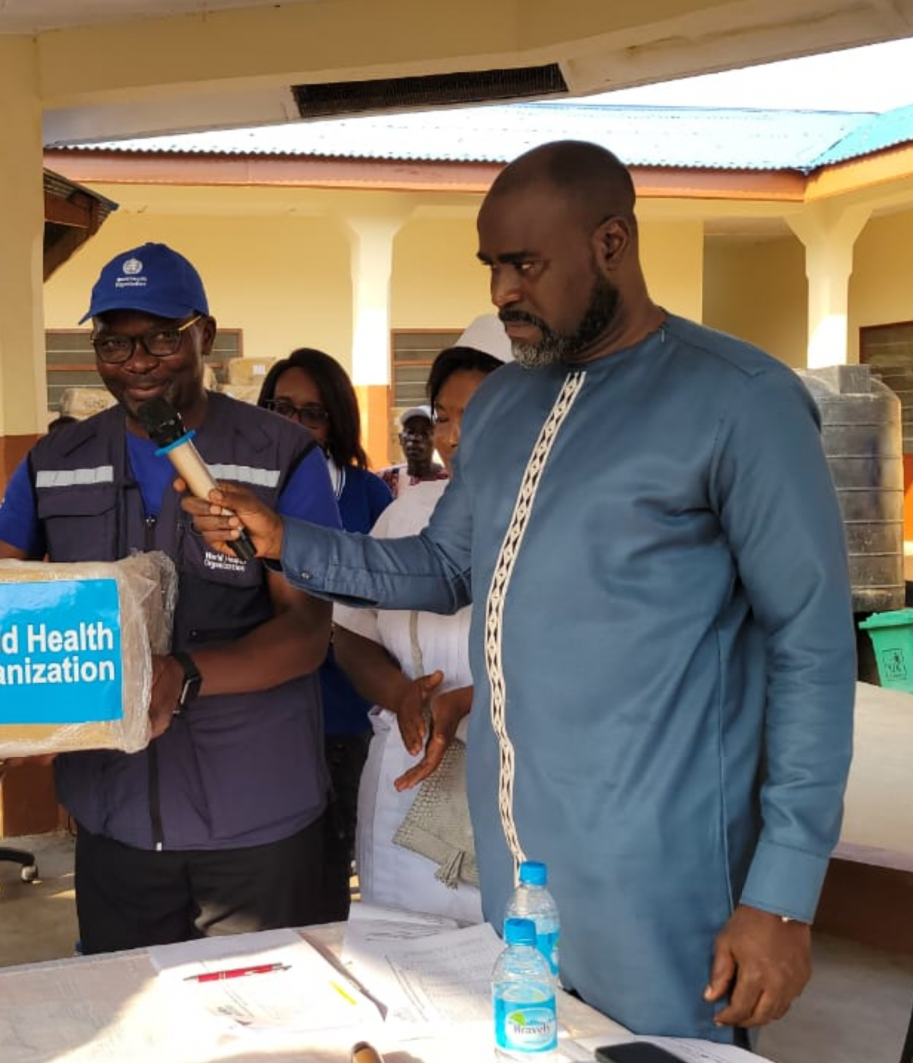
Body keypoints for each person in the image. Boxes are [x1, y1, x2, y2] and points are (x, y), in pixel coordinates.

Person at [182, 142, 854, 1041]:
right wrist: (282, 541)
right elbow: (441, 567)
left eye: (526, 264)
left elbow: (811, 647)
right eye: (493, 265)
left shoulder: (740, 402)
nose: (502, 291)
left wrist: (783, 893)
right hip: (513, 872)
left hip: (661, 880)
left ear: (612, 243)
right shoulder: (505, 408)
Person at [0, 242, 341, 952]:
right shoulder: (56, 462)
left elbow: (307, 629)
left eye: (162, 337)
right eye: (114, 341)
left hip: (254, 819)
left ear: (204, 334)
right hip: (114, 820)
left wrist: (184, 676)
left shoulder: (279, 452)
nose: (137, 360)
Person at [336, 343, 506, 924]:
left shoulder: (562, 522)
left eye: (476, 416)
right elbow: (351, 632)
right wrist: (400, 693)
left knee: (512, 959)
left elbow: (584, 666)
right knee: (401, 961)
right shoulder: (405, 514)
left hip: (511, 779)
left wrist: (470, 703)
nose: (453, 437)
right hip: (403, 771)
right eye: (443, 415)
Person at [257, 346, 394, 921]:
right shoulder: (236, 492)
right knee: (266, 878)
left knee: (328, 878)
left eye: (311, 413)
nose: (294, 424)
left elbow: (382, 607)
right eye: (281, 408)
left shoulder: (369, 496)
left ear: (336, 421)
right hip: (259, 712)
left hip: (341, 715)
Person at [378, 407, 446, 498]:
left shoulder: (452, 481)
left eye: (425, 433)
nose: (415, 438)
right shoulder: (386, 478)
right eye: (410, 432)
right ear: (401, 438)